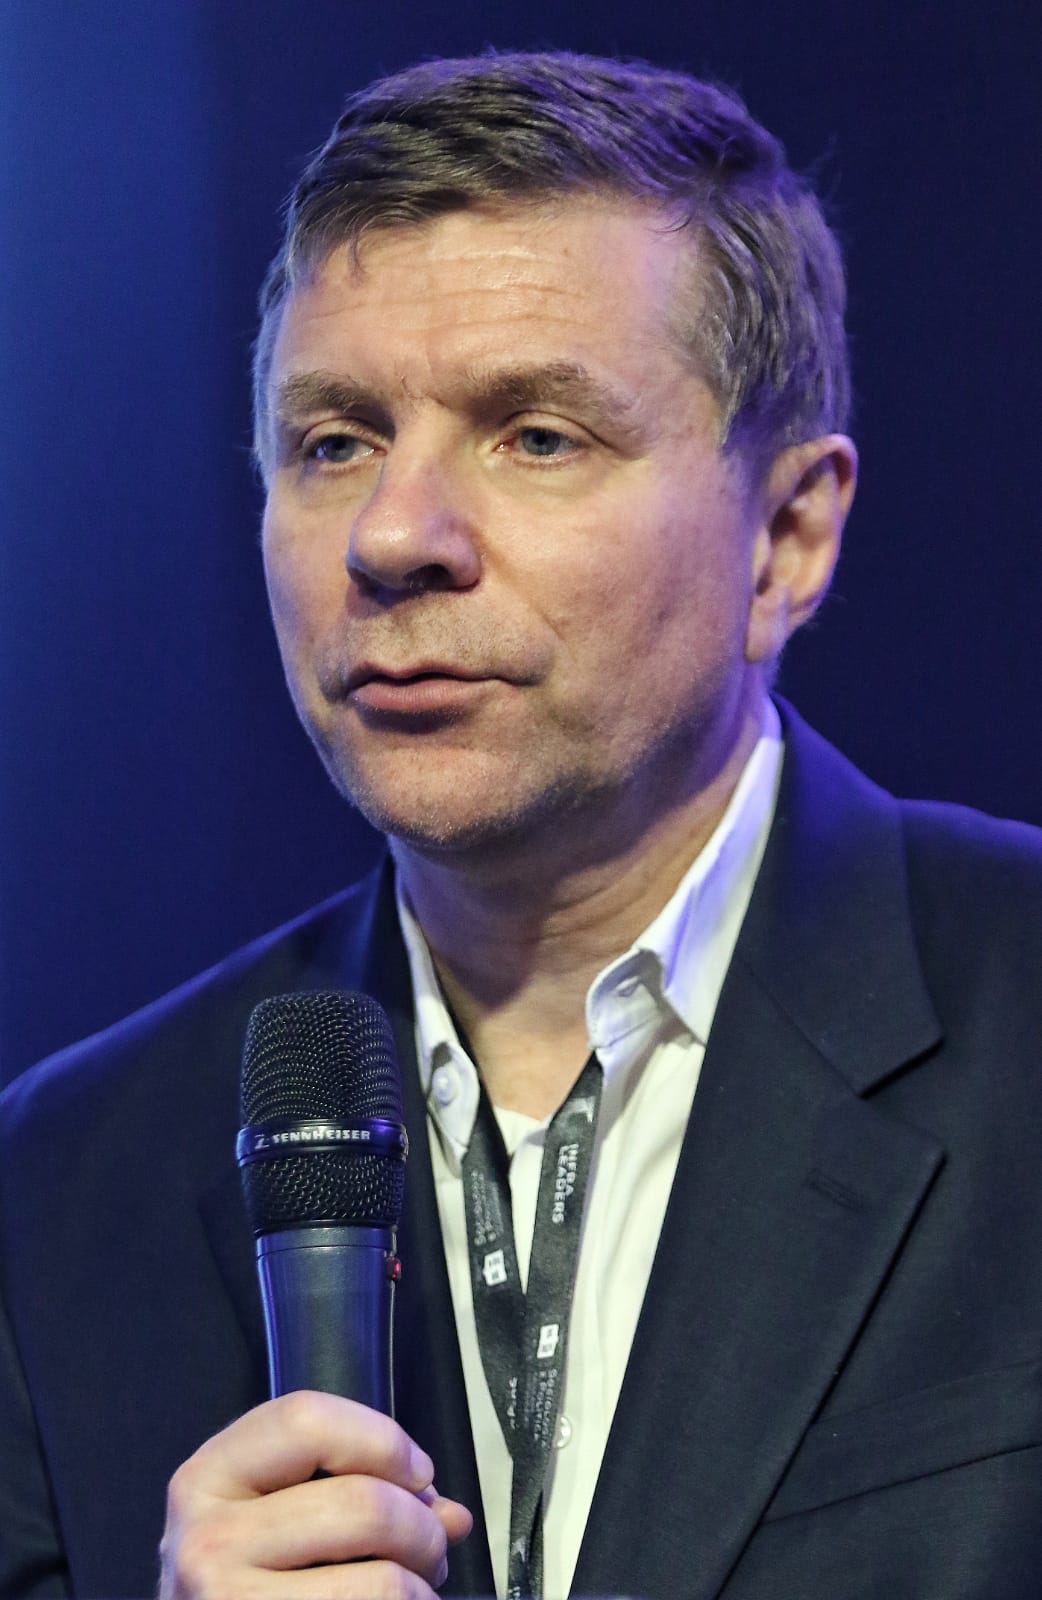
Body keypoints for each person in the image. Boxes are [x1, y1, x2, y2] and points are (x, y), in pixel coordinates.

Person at [2, 48, 1042, 1600]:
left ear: (785, 537)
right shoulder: (59, 1186)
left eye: (535, 434)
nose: (393, 536)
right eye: (335, 440)